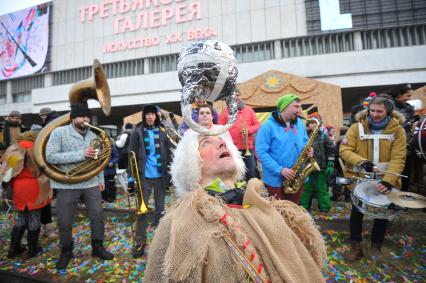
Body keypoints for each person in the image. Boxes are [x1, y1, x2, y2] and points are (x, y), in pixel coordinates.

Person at [144, 129, 326, 282]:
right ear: (190, 161)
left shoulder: (265, 208)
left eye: (222, 141)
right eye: (206, 142)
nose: (222, 144)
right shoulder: (177, 221)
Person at [45, 103, 114, 270]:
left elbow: (98, 161)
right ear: (73, 117)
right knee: (65, 220)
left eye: (87, 117)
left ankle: (97, 247)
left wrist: (101, 179)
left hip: (91, 182)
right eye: (82, 116)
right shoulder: (59, 132)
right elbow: (50, 156)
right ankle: (66, 251)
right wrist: (80, 155)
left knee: (97, 216)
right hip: (68, 184)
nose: (86, 120)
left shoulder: (92, 136)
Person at [340, 97, 406, 261]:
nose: (375, 114)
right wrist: (362, 162)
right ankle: (355, 245)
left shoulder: (398, 131)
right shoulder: (356, 128)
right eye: (372, 110)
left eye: (379, 111)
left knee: (382, 214)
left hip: (385, 180)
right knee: (357, 212)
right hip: (360, 179)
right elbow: (344, 150)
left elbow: (398, 158)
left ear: (388, 112)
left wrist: (389, 180)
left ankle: (376, 246)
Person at [128, 104, 172, 258]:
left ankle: (159, 244)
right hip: (143, 177)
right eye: (147, 114)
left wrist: (169, 173)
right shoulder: (137, 132)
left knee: (160, 211)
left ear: (156, 116)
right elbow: (131, 155)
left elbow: (167, 153)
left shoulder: (162, 131)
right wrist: (130, 178)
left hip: (160, 176)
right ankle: (140, 243)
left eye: (153, 114)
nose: (150, 117)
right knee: (142, 212)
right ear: (144, 116)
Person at [0, 130, 51, 259]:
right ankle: (32, 249)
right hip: (35, 186)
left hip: (19, 187)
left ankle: (13, 249)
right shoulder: (38, 148)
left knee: (21, 217)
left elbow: (7, 171)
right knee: (34, 217)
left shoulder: (14, 148)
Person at [255, 93, 311, 204]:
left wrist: (309, 149)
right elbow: (261, 152)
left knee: (294, 209)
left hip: (297, 177)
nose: (300, 110)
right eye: (296, 106)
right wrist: (280, 169)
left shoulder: (299, 123)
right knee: (278, 212)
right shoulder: (267, 126)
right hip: (275, 180)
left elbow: (305, 140)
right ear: (284, 107)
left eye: (300, 106)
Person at [219, 88, 261, 181]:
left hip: (248, 147)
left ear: (241, 96)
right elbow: (220, 129)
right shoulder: (224, 113)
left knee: (251, 171)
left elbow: (257, 125)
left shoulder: (249, 110)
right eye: (233, 96)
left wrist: (249, 130)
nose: (235, 97)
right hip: (232, 148)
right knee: (235, 173)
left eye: (237, 95)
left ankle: (251, 191)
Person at [300, 118, 334, 213]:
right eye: (312, 123)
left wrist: (330, 163)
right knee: (306, 189)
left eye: (316, 123)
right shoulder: (303, 136)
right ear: (308, 125)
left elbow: (331, 150)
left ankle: (324, 208)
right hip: (307, 168)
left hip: (321, 168)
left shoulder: (323, 136)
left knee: (322, 189)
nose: (314, 125)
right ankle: (304, 207)